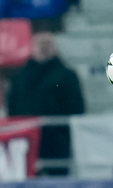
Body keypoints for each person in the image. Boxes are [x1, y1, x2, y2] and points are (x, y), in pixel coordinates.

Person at [7, 32, 85, 176]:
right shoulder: (19, 76)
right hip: (27, 138)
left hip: (57, 139)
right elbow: (12, 107)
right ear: (31, 46)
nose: (43, 46)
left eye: (47, 43)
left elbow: (77, 108)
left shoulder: (67, 75)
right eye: (39, 42)